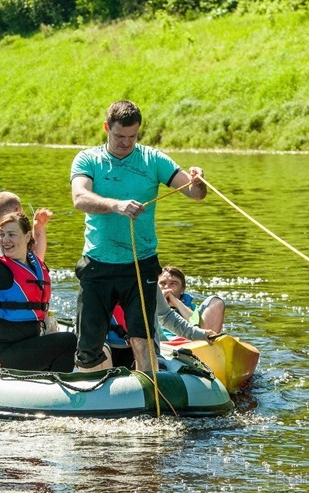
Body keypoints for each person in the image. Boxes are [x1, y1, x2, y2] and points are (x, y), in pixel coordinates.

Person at [70, 100, 207, 373]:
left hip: (140, 263)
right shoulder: (88, 159)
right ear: (106, 128)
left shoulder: (153, 159)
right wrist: (115, 205)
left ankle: (149, 388)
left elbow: (196, 194)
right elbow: (79, 198)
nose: (126, 143)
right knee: (88, 343)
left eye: (132, 137)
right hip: (98, 263)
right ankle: (89, 391)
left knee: (142, 337)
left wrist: (198, 180)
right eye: (120, 136)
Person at [0, 212, 76, 372]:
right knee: (69, 341)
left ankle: (52, 383)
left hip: (28, 343)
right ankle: (59, 384)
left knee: (73, 338)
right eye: (1, 234)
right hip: (0, 351)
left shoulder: (34, 264)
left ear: (26, 236)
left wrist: (39, 227)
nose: (4, 240)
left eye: (11, 234)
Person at [159, 265, 225, 334]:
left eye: (173, 284)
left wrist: (176, 302)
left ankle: (208, 341)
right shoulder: (148, 307)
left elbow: (197, 326)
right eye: (162, 283)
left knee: (216, 302)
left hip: (191, 341)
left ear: (182, 289)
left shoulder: (192, 308)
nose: (167, 287)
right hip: (160, 340)